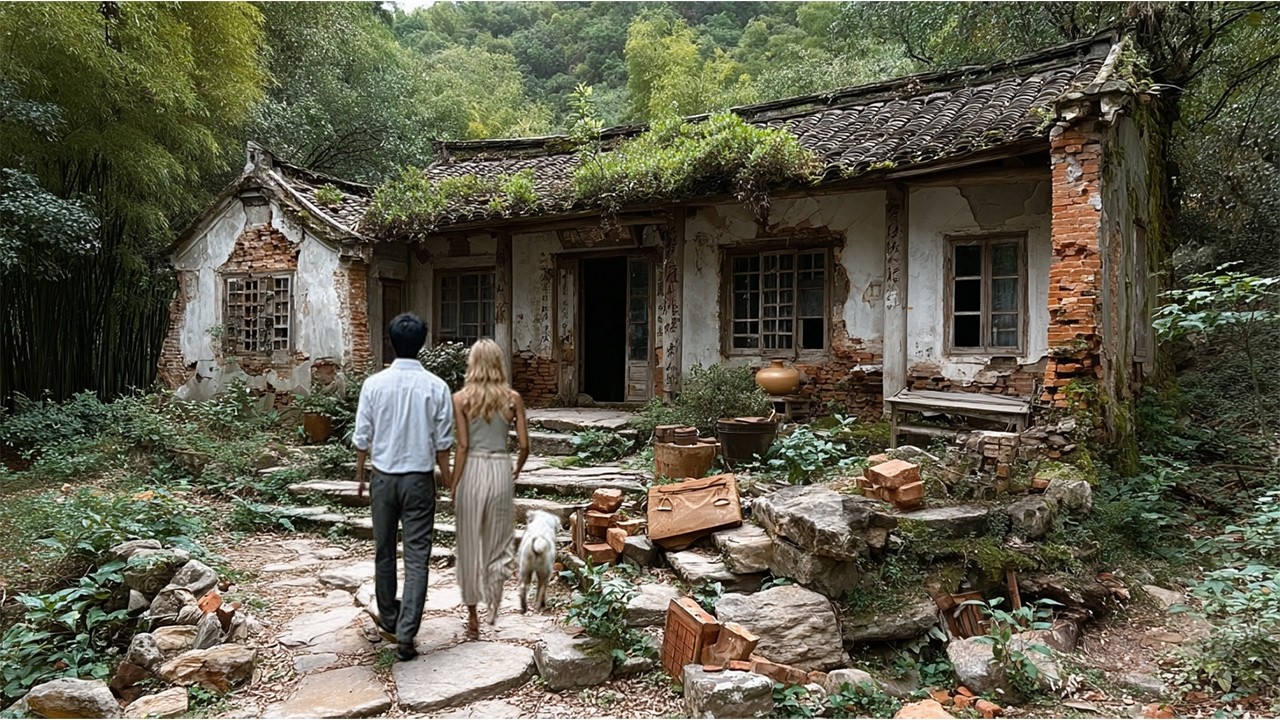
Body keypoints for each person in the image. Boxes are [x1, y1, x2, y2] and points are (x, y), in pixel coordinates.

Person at [352, 313, 454, 662]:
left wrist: (361, 476)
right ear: (423, 344)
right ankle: (407, 635)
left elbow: (362, 437)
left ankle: (390, 618)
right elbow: (443, 445)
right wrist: (446, 481)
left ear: (391, 342)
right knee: (416, 557)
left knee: (383, 551)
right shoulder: (436, 387)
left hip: (383, 478)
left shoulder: (374, 385)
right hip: (418, 480)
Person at [451, 338, 530, 639]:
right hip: (499, 468)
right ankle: (493, 606)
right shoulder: (512, 399)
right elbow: (524, 445)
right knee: (498, 543)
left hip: (471, 468)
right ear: (499, 364)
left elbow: (462, 445)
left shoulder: (460, 399)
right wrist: (517, 469)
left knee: (469, 544)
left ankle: (472, 617)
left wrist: (454, 482)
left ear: (472, 364)